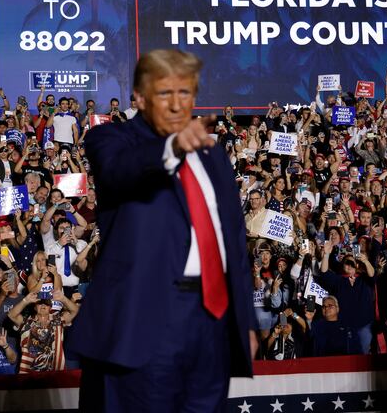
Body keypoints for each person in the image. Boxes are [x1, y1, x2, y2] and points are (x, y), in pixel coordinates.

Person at [68, 49, 257, 412]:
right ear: (139, 97)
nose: (176, 104)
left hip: (211, 323)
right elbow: (118, 170)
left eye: (184, 93)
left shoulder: (212, 153)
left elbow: (232, 239)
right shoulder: (111, 140)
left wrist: (243, 322)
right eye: (164, 93)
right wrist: (171, 147)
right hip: (146, 321)